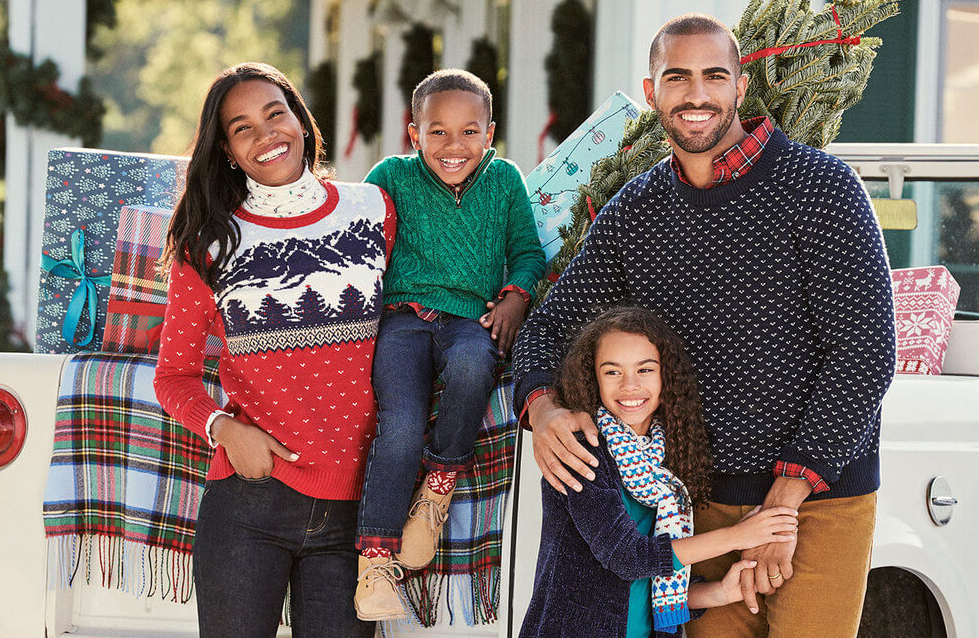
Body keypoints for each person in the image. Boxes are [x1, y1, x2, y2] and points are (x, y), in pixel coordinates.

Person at [512, 13, 897, 638]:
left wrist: (783, 505)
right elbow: (548, 328)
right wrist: (543, 407)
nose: (697, 95)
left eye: (715, 76)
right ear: (651, 92)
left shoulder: (821, 188)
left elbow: (865, 353)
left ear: (741, 87)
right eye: (677, 78)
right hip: (698, 506)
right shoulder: (635, 212)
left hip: (821, 501)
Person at [153, 62, 394, 638]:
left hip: (357, 510)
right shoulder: (209, 242)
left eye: (274, 114)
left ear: (301, 121)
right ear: (227, 151)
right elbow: (174, 375)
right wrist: (224, 430)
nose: (266, 135)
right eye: (242, 128)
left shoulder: (373, 210)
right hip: (249, 504)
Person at [353, 68, 547, 620]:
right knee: (400, 424)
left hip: (471, 317)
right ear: (414, 133)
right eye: (437, 131)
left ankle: (438, 487)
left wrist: (515, 296)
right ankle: (374, 564)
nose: (453, 145)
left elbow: (528, 252)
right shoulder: (390, 176)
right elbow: (358, 247)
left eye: (469, 131)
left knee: (472, 364)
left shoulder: (504, 180)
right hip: (402, 319)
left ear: (490, 133)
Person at [519, 306, 800, 638]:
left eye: (645, 369)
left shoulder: (667, 460)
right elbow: (627, 557)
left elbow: (650, 585)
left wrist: (721, 592)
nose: (630, 385)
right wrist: (738, 536)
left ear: (666, 376)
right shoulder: (581, 450)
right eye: (612, 372)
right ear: (593, 378)